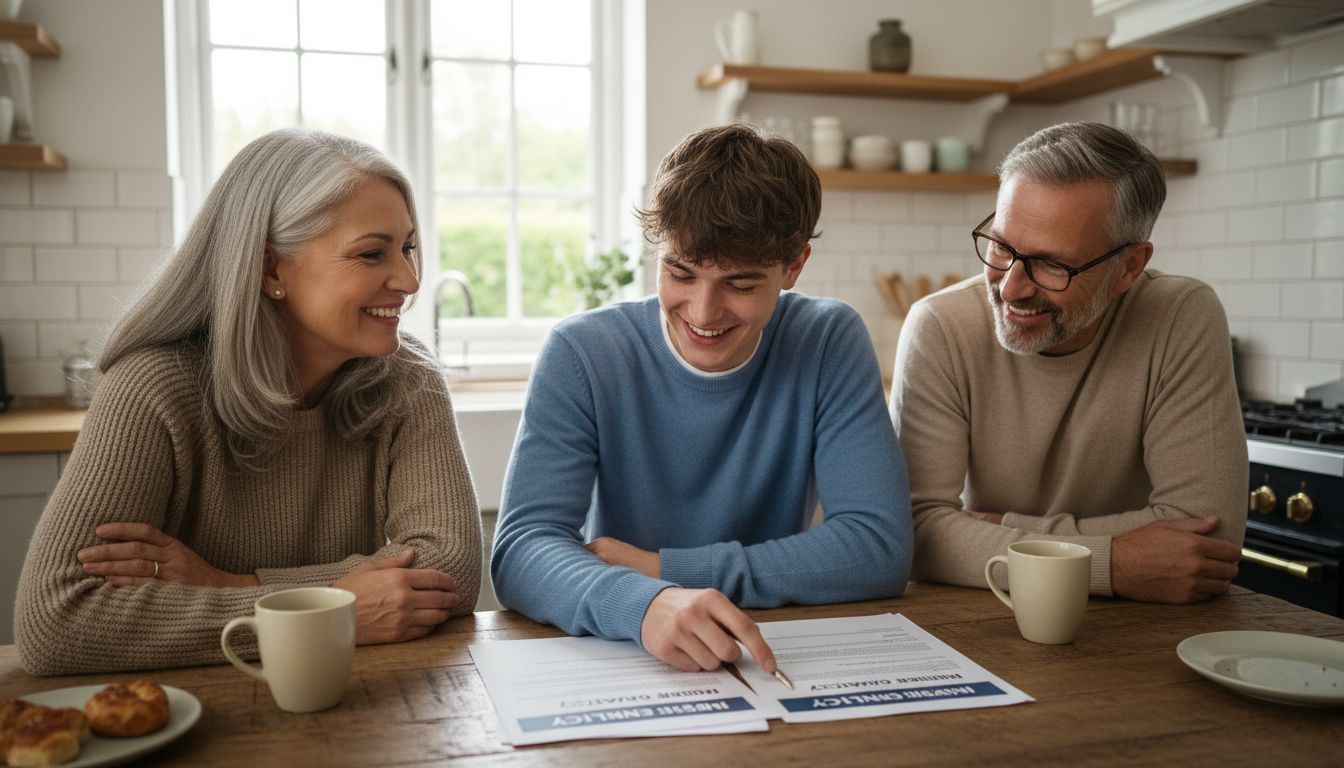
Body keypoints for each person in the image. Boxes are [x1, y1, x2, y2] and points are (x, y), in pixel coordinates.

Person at [15, 128, 482, 676]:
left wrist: (234, 585)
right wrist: (339, 608)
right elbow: (57, 621)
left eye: (406, 248)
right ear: (269, 268)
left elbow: (449, 570)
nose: (408, 279)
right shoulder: (152, 388)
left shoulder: (409, 380)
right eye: (372, 253)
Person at [491, 124, 913, 675]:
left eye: (740, 284)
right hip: (624, 651)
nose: (703, 312)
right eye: (680, 272)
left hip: (772, 651)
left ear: (794, 266)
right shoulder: (583, 352)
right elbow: (521, 549)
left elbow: (877, 549)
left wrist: (665, 569)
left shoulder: (827, 340)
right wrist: (643, 603)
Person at [891, 122, 1246, 605]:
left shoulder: (1180, 316)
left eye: (1052, 264)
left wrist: (1005, 530)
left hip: (1144, 629)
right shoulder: (939, 326)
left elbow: (1208, 540)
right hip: (989, 613)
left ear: (1129, 267)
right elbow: (916, 536)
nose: (1011, 287)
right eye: (1001, 246)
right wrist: (1113, 562)